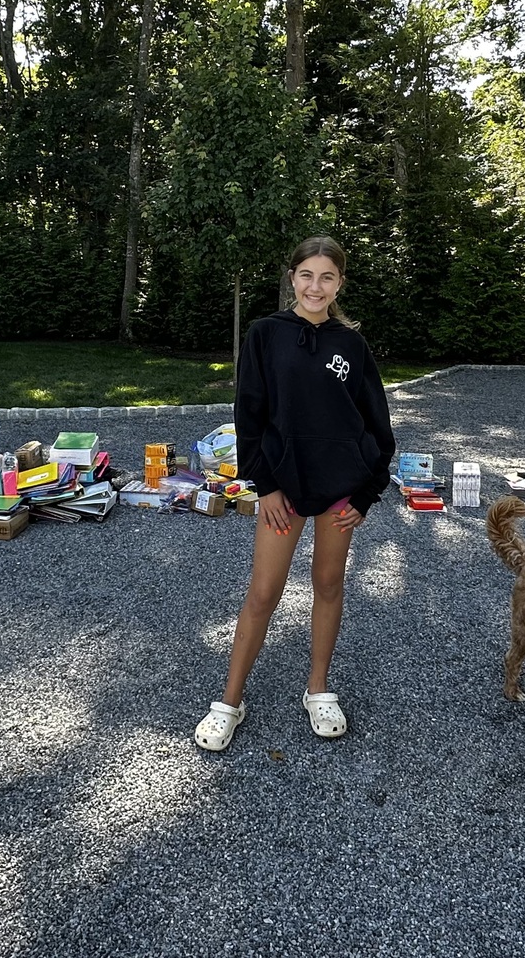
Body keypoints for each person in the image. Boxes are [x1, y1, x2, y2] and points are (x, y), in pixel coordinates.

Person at [195, 235, 395, 751]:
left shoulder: (352, 346)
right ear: (292, 279)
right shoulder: (266, 335)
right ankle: (229, 701)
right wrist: (265, 486)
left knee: (328, 584)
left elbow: (377, 425)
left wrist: (365, 494)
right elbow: (250, 415)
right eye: (307, 275)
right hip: (282, 489)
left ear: (339, 285)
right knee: (264, 592)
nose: (316, 285)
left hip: (339, 491)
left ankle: (318, 688)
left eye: (327, 277)